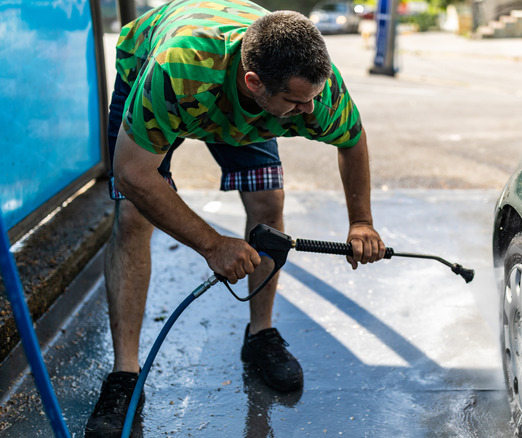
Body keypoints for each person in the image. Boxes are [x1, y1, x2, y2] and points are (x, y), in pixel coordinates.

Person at [85, 0, 385, 436]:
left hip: (244, 104)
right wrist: (212, 243)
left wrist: (361, 221)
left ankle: (260, 334)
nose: (310, 113)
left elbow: (352, 140)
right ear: (254, 82)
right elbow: (133, 173)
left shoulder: (314, 90)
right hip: (171, 75)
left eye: (313, 100)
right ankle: (125, 374)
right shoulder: (180, 70)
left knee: (268, 204)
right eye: (297, 103)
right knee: (133, 215)